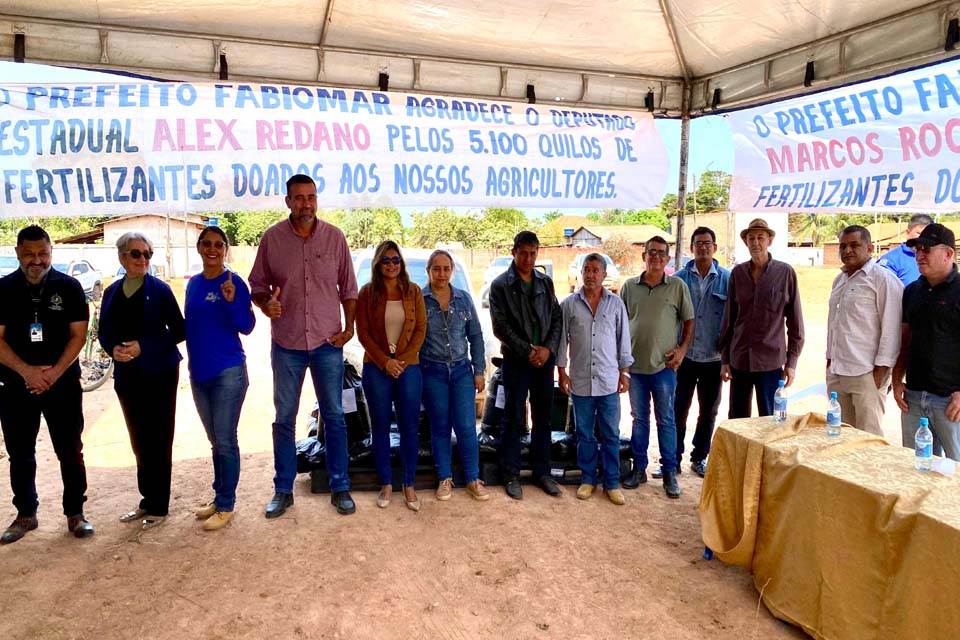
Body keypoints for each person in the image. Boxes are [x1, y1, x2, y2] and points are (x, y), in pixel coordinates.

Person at [249, 174, 358, 518]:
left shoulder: (335, 238)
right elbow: (256, 285)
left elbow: (349, 289)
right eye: (299, 198)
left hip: (328, 343)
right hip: (288, 344)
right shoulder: (272, 239)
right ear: (288, 201)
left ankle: (340, 486)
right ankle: (283, 489)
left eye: (311, 197)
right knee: (284, 418)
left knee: (335, 417)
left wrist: (349, 328)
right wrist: (267, 304)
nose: (306, 204)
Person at [0, 225, 93, 544]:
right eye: (29, 254)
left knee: (70, 450)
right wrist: (27, 372)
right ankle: (26, 514)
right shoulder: (3, 289)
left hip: (62, 383)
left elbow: (78, 335)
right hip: (16, 385)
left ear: (51, 252)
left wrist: (52, 374)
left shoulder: (69, 287)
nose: (36, 260)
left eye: (43, 254)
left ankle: (75, 515)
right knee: (20, 452)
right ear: (17, 254)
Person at [99, 232, 185, 531]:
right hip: (127, 375)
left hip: (159, 373)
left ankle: (160, 506)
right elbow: (104, 331)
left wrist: (143, 346)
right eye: (137, 254)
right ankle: (147, 499)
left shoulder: (160, 290)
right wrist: (113, 350)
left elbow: (178, 330)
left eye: (148, 254)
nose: (143, 259)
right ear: (122, 256)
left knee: (159, 438)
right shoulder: (111, 292)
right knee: (139, 440)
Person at [185, 226, 255, 531]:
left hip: (228, 373)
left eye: (218, 244)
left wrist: (230, 300)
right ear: (199, 247)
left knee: (226, 441)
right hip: (199, 374)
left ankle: (227, 504)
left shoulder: (233, 282)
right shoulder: (194, 284)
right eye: (207, 244)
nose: (212, 249)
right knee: (215, 442)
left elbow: (247, 325)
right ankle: (219, 496)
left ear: (225, 249)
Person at [489, 231, 563, 500]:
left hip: (544, 361)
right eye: (524, 253)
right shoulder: (500, 286)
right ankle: (510, 473)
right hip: (517, 361)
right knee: (513, 417)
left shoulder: (545, 283)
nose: (529, 258)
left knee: (543, 417)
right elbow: (501, 327)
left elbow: (556, 318)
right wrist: (528, 350)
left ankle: (542, 472)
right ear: (514, 252)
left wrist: (547, 349)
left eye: (533, 253)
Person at [619, 236, 693, 499]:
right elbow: (620, 326)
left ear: (668, 258)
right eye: (652, 253)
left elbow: (689, 320)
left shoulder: (677, 286)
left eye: (662, 254)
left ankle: (670, 472)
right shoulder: (629, 287)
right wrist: (622, 364)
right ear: (644, 256)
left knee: (667, 420)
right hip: (635, 367)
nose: (657, 258)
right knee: (639, 420)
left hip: (664, 367)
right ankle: (639, 468)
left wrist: (682, 350)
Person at [356, 241, 426, 511]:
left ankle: (408, 484)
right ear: (377, 264)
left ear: (402, 263)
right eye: (386, 260)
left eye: (396, 260)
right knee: (381, 428)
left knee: (410, 427)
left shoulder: (414, 292)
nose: (391, 265)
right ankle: (386, 483)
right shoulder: (367, 293)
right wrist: (386, 362)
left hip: (409, 368)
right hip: (376, 368)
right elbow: (363, 333)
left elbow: (420, 330)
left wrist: (402, 361)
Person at [558, 253, 633, 505]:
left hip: (609, 380)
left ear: (604, 275)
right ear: (581, 273)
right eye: (586, 269)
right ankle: (588, 479)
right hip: (580, 381)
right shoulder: (569, 304)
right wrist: (561, 370)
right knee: (585, 434)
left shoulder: (616, 304)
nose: (590, 274)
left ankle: (611, 483)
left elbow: (624, 339)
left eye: (595, 270)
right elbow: (561, 341)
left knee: (611, 434)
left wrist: (624, 372)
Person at [420, 250, 489, 502]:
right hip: (432, 371)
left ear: (452, 271)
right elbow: (414, 338)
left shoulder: (463, 299)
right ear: (429, 271)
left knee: (466, 427)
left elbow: (476, 336)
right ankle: (445, 479)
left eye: (446, 268)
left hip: (461, 371)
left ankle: (472, 479)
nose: (441, 273)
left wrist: (479, 370)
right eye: (436, 268)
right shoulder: (419, 299)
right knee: (440, 428)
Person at [719, 218, 804, 418]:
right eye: (751, 238)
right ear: (745, 242)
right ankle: (741, 451)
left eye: (760, 238)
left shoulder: (785, 273)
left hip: (771, 361)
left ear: (770, 240)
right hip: (740, 359)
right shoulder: (738, 274)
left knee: (773, 417)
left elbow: (795, 322)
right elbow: (729, 319)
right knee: (738, 418)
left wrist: (791, 363)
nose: (756, 243)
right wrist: (725, 359)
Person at [826, 226, 903, 436]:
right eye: (843, 246)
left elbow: (892, 328)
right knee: (840, 436)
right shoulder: (839, 280)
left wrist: (881, 371)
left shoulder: (883, 280)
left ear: (869, 248)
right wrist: (829, 360)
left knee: (868, 440)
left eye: (854, 245)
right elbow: (834, 323)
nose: (847, 250)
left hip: (867, 373)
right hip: (838, 372)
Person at [893, 224, 960, 461]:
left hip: (950, 401)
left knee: (955, 474)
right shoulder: (911, 291)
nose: (919, 255)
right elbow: (905, 339)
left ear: (948, 254)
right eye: (917, 249)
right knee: (915, 468)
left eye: (927, 250)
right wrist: (896, 378)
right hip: (913, 397)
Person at [672, 227, 730, 478]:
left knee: (708, 412)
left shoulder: (728, 279)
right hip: (684, 357)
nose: (703, 247)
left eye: (707, 243)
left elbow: (733, 319)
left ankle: (699, 457)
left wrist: (728, 358)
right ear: (691, 248)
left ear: (715, 247)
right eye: (698, 243)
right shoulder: (679, 278)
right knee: (677, 409)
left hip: (713, 359)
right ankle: (672, 458)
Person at [877, 214, 933, 286]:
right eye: (919, 233)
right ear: (908, 232)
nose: (922, 238)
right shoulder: (891, 260)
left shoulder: (937, 257)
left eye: (927, 235)